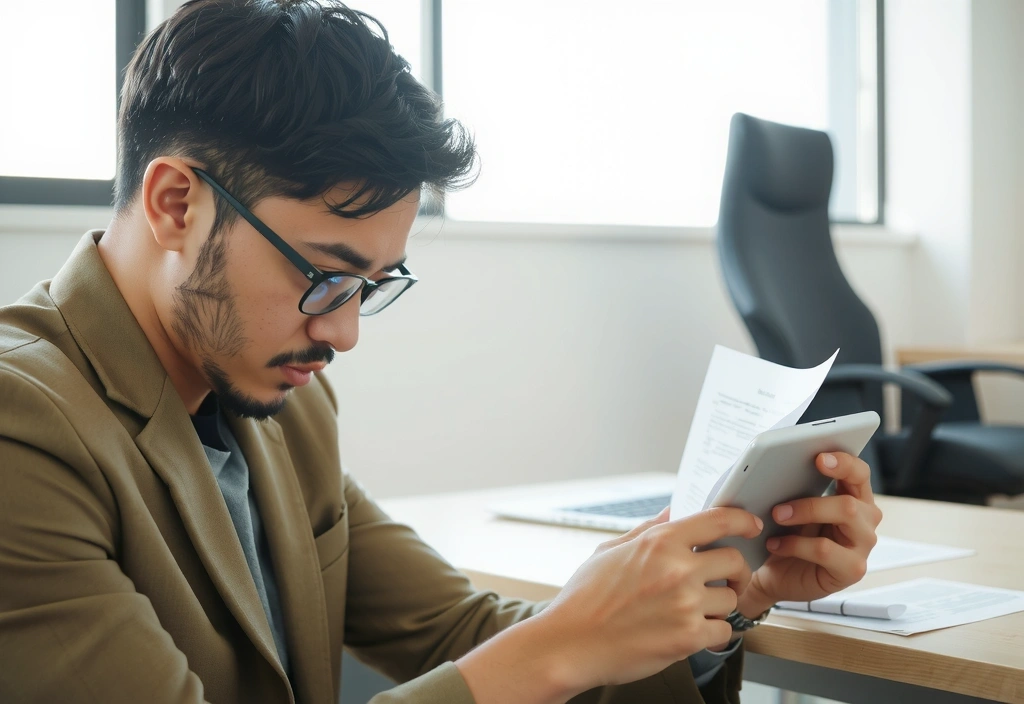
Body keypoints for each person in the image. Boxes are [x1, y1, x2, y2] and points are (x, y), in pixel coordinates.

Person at [0, 2, 882, 702]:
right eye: (325, 275)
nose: (343, 332)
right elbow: (529, 659)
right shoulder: (22, 427)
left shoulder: (282, 409)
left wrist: (727, 589)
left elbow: (466, 637)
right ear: (176, 204)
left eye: (374, 287)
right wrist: (563, 641)